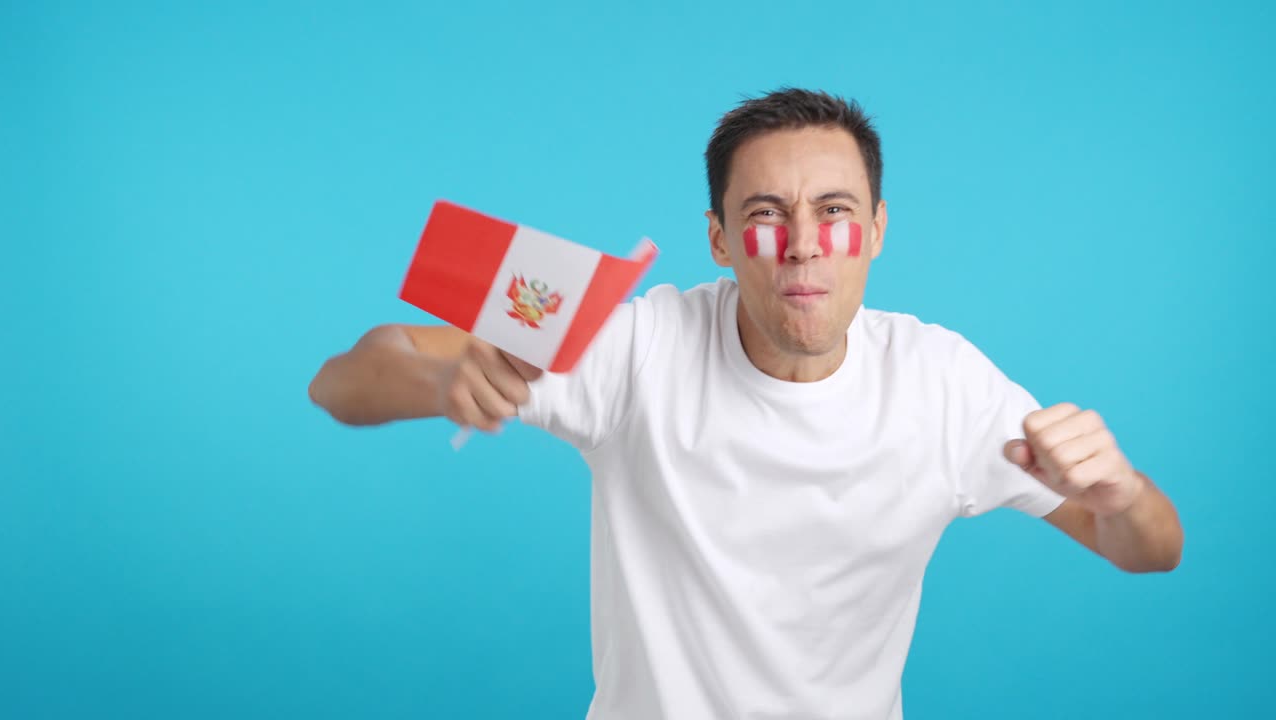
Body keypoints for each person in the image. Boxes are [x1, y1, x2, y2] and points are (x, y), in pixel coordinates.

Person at [307, 87, 1184, 720]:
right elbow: (343, 380)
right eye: (766, 215)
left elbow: (1151, 550)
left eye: (835, 212)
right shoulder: (636, 344)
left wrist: (1124, 497)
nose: (803, 248)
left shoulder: (942, 382)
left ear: (877, 230)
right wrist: (438, 381)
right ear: (721, 238)